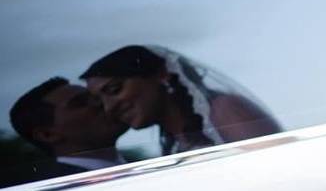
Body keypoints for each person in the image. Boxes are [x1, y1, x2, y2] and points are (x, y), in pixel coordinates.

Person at [80, 45, 281, 155]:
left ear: (161, 74)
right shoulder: (173, 141)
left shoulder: (225, 110)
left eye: (115, 90)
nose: (108, 107)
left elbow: (277, 171)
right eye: (100, 100)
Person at [7, 77, 128, 185]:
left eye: (96, 97)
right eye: (80, 103)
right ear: (47, 135)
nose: (102, 103)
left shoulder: (131, 166)